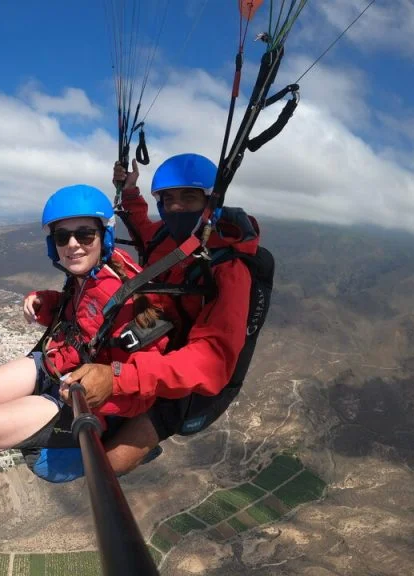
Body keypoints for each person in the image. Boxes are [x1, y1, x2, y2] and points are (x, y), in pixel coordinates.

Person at [0, 184, 172, 498]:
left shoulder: (127, 296)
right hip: (55, 365)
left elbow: (146, 379)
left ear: (102, 237)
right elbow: (81, 318)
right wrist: (43, 301)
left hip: (73, 395)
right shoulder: (90, 272)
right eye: (63, 237)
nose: (73, 245)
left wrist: (98, 396)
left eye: (84, 235)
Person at [58, 153, 263, 476]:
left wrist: (118, 378)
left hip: (190, 383)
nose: (177, 207)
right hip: (155, 348)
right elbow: (141, 223)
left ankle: (141, 442)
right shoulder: (166, 238)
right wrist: (129, 190)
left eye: (189, 197)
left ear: (211, 200)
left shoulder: (228, 268)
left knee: (104, 467)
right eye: (167, 199)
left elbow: (211, 363)